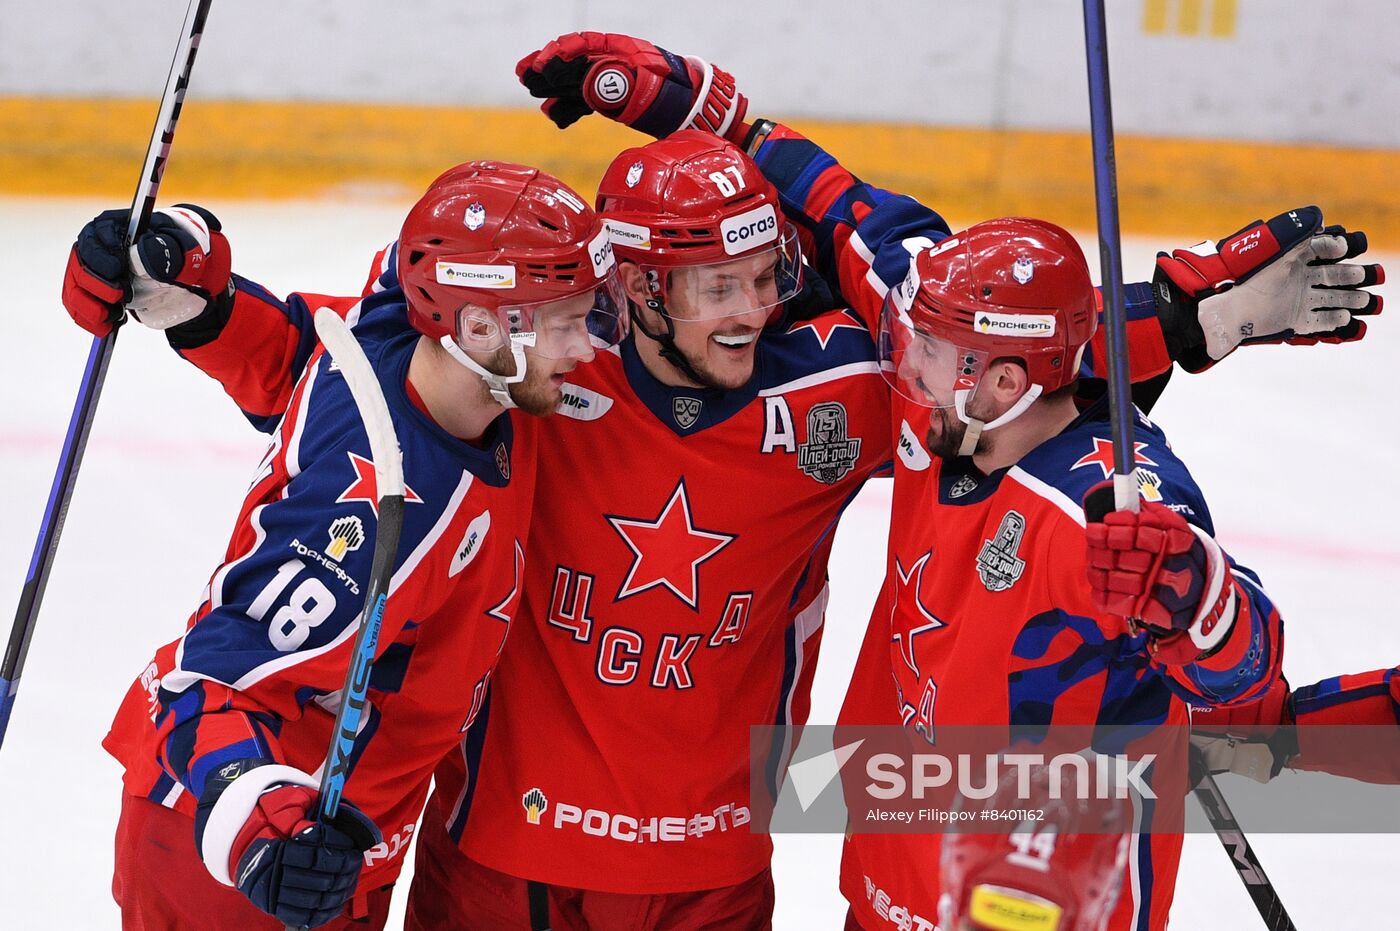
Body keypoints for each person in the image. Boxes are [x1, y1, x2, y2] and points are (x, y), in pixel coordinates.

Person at [68, 34, 1381, 929]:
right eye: (717, 282)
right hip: (497, 860)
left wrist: (1189, 320)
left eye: (767, 270)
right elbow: (325, 367)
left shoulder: (846, 389)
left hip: (716, 870)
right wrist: (182, 286)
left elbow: (975, 333)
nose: (757, 302)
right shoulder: (536, 375)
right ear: (628, 284)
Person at [67, 162, 626, 929]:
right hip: (244, 858)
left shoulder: (396, 331)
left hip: (351, 834)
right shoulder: (381, 525)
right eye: (565, 321)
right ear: (480, 326)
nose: (587, 348)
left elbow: (307, 352)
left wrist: (191, 278)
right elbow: (204, 685)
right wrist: (258, 824)